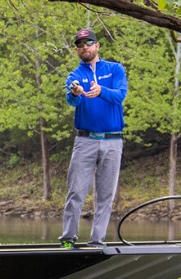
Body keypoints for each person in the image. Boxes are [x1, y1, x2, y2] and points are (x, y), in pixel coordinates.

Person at [59, 29, 128, 249]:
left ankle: (97, 241)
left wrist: (101, 91)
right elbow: (72, 100)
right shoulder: (74, 75)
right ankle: (68, 239)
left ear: (97, 46)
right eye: (79, 45)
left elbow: (120, 95)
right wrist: (77, 92)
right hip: (85, 141)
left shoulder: (115, 69)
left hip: (113, 141)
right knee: (76, 191)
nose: (84, 47)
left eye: (88, 43)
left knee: (105, 195)